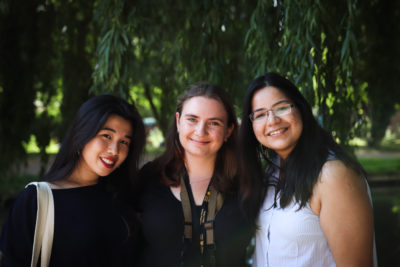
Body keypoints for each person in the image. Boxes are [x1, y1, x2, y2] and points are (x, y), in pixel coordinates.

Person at [238, 73, 377, 267]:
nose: (272, 120)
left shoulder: (332, 175)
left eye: (282, 108)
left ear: (301, 108)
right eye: (260, 114)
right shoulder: (272, 171)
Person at [0, 94, 146, 266]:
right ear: (82, 134)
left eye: (124, 142)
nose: (114, 150)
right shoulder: (37, 199)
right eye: (106, 136)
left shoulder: (122, 197)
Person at [137, 82, 252, 267]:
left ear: (228, 131)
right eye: (192, 119)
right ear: (178, 121)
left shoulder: (247, 183)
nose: (201, 131)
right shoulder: (149, 177)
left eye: (214, 123)